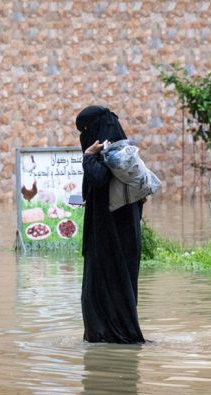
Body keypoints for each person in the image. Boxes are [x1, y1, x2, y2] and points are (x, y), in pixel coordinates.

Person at [76, 105, 145, 343]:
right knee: (116, 287)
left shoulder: (113, 153)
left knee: (102, 289)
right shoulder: (124, 152)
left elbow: (99, 178)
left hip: (110, 239)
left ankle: (110, 337)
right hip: (122, 235)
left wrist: (87, 156)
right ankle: (112, 336)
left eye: (84, 130)